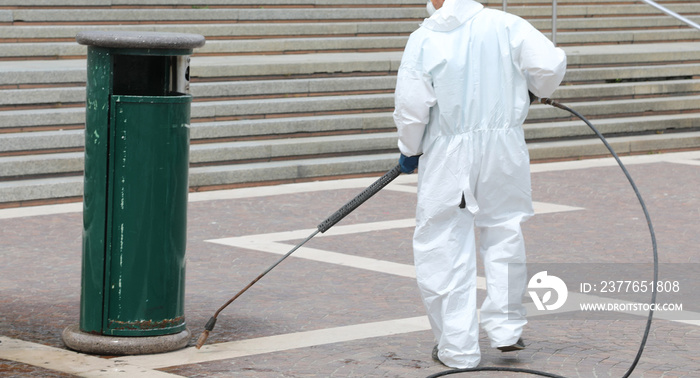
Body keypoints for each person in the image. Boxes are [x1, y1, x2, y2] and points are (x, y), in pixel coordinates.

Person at [393, 0, 567, 369]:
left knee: (442, 243)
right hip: (504, 148)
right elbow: (549, 64)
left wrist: (409, 148)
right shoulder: (506, 24)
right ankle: (506, 330)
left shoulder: (424, 39)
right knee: (504, 231)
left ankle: (457, 349)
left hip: (449, 152)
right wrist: (536, 89)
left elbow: (411, 106)